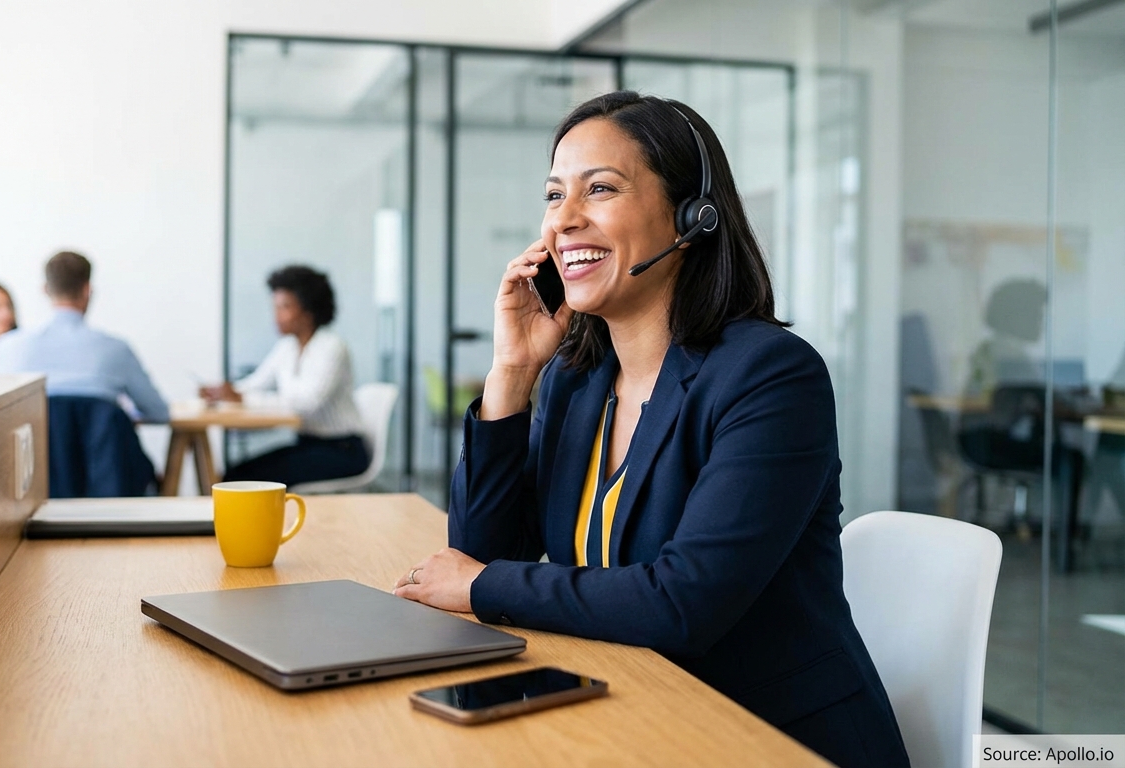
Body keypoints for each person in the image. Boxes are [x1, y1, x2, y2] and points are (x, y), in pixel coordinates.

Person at [392, 92, 908, 767]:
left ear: (692, 216)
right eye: (554, 196)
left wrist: (484, 586)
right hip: (633, 714)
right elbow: (483, 547)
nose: (565, 221)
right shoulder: (579, 382)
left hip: (765, 736)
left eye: (600, 189)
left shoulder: (771, 376)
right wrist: (512, 373)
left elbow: (684, 602)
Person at [201, 265, 369, 486]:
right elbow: (257, 383)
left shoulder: (331, 347)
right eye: (275, 307)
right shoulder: (287, 346)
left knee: (240, 479)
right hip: (307, 444)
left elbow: (307, 404)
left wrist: (244, 399)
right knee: (235, 474)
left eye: (285, 307)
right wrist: (225, 392)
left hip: (342, 451)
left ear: (308, 311)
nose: (277, 315)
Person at [0, 251, 169, 423]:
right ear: (87, 290)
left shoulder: (8, 347)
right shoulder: (117, 350)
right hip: (104, 456)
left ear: (46, 290)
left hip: (34, 456)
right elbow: (159, 412)